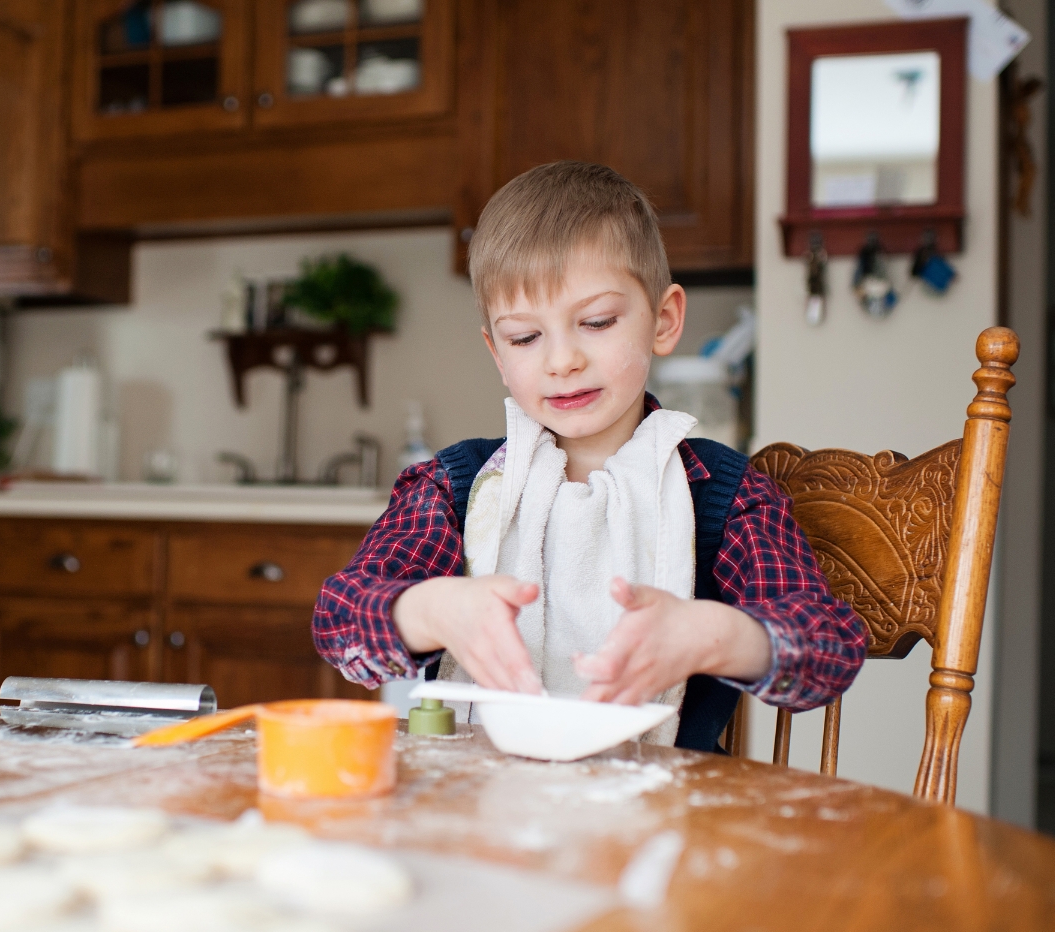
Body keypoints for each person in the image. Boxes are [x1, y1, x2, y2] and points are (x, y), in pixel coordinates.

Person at [311, 161, 867, 750]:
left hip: (664, 821)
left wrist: (712, 635)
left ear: (664, 319)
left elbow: (828, 651)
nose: (562, 360)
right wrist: (435, 610)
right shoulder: (457, 488)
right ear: (497, 353)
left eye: (596, 322)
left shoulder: (724, 496)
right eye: (525, 337)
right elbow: (339, 621)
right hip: (475, 814)